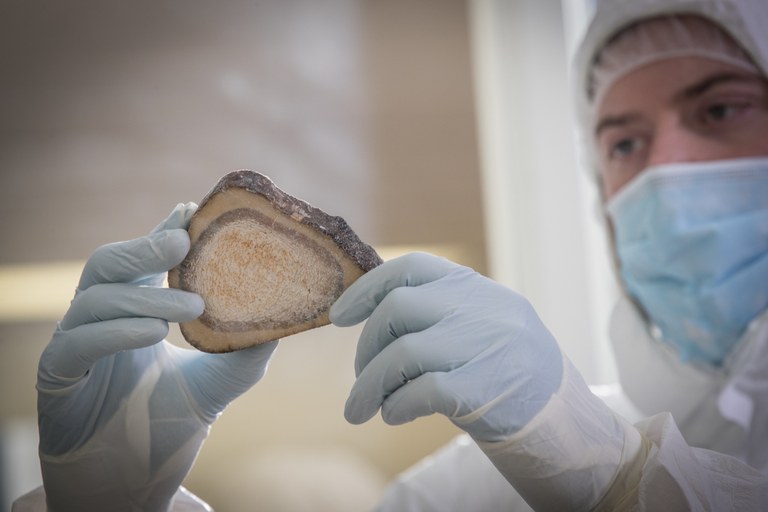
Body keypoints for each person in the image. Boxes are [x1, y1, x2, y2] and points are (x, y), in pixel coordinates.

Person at [11, 0, 768, 510]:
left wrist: (609, 472)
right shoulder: (493, 471)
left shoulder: (558, 432)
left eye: (720, 108)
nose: (666, 171)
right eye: (625, 141)